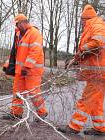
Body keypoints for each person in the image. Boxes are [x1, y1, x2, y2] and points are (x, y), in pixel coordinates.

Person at [57, 4, 105, 135]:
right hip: (97, 73)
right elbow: (89, 49)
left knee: (87, 99)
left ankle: (74, 126)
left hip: (99, 73)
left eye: (82, 20)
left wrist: (81, 50)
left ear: (86, 18)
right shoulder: (92, 26)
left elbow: (97, 43)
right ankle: (100, 128)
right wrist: (76, 60)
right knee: (96, 101)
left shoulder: (97, 25)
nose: (81, 23)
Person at [3, 14, 48, 120]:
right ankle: (16, 113)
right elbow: (14, 52)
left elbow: (35, 52)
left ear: (23, 22)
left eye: (17, 24)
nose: (16, 27)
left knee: (33, 92)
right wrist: (8, 65)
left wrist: (27, 67)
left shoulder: (34, 34)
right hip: (20, 70)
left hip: (32, 70)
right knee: (17, 91)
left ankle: (42, 113)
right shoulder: (18, 34)